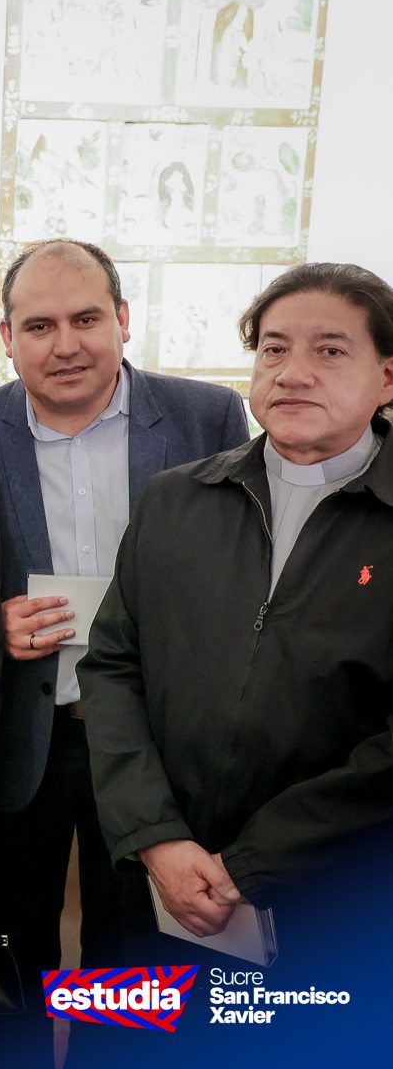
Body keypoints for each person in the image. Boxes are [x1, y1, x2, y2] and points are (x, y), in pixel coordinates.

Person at [0, 238, 248, 1069]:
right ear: (6, 336)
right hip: (25, 731)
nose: (66, 343)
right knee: (15, 942)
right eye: (38, 325)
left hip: (150, 738)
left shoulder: (206, 418)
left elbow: (245, 568)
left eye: (86, 318)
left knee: (132, 950)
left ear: (122, 319)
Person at [81, 261, 393, 984]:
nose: (292, 372)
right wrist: (157, 838)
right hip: (157, 882)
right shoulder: (176, 501)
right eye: (274, 348)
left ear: (386, 378)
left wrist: (250, 866)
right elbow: (111, 668)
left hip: (328, 901)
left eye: (330, 350)